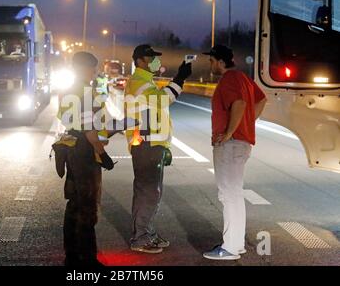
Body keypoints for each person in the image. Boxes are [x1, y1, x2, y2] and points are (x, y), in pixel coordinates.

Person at [201, 45, 267, 261]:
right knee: (234, 194)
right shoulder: (243, 78)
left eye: (212, 61)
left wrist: (230, 132)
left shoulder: (229, 79)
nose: (210, 65)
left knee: (229, 195)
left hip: (231, 145)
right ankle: (235, 244)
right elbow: (261, 100)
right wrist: (246, 123)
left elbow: (238, 103)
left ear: (220, 61)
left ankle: (230, 247)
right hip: (241, 143)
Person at [125, 44, 192, 254]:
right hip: (146, 144)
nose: (156, 60)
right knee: (148, 192)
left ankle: (147, 233)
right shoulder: (138, 82)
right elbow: (162, 101)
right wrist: (180, 79)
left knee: (151, 192)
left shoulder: (145, 81)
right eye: (151, 57)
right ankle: (141, 237)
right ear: (140, 60)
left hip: (152, 142)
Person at [56, 52, 115, 267]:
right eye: (93, 68)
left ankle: (71, 255)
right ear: (83, 69)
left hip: (71, 147)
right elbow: (90, 130)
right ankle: (87, 260)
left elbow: (69, 121)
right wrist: (103, 154)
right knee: (88, 206)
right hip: (84, 151)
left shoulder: (67, 91)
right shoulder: (86, 92)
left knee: (74, 203)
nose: (95, 72)